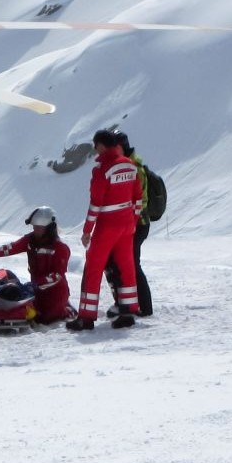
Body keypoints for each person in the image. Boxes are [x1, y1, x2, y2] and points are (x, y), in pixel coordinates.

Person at [68, 129, 142, 331]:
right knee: (126, 268)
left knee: (93, 268)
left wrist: (86, 231)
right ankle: (128, 310)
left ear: (101, 145)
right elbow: (137, 198)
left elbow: (95, 205)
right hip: (126, 223)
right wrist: (133, 220)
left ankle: (86, 316)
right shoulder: (130, 165)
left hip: (107, 224)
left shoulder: (102, 170)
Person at [0, 206, 73, 324]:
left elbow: (57, 275)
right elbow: (11, 248)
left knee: (47, 318)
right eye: (34, 227)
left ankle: (67, 309)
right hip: (36, 290)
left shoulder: (60, 248)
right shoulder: (30, 240)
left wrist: (39, 283)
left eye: (39, 227)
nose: (35, 230)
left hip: (55, 292)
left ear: (49, 228)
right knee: (30, 314)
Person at [105, 131, 154, 317]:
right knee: (121, 262)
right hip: (131, 224)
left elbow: (139, 200)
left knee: (130, 263)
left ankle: (140, 306)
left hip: (136, 224)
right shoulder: (126, 165)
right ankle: (126, 303)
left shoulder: (133, 167)